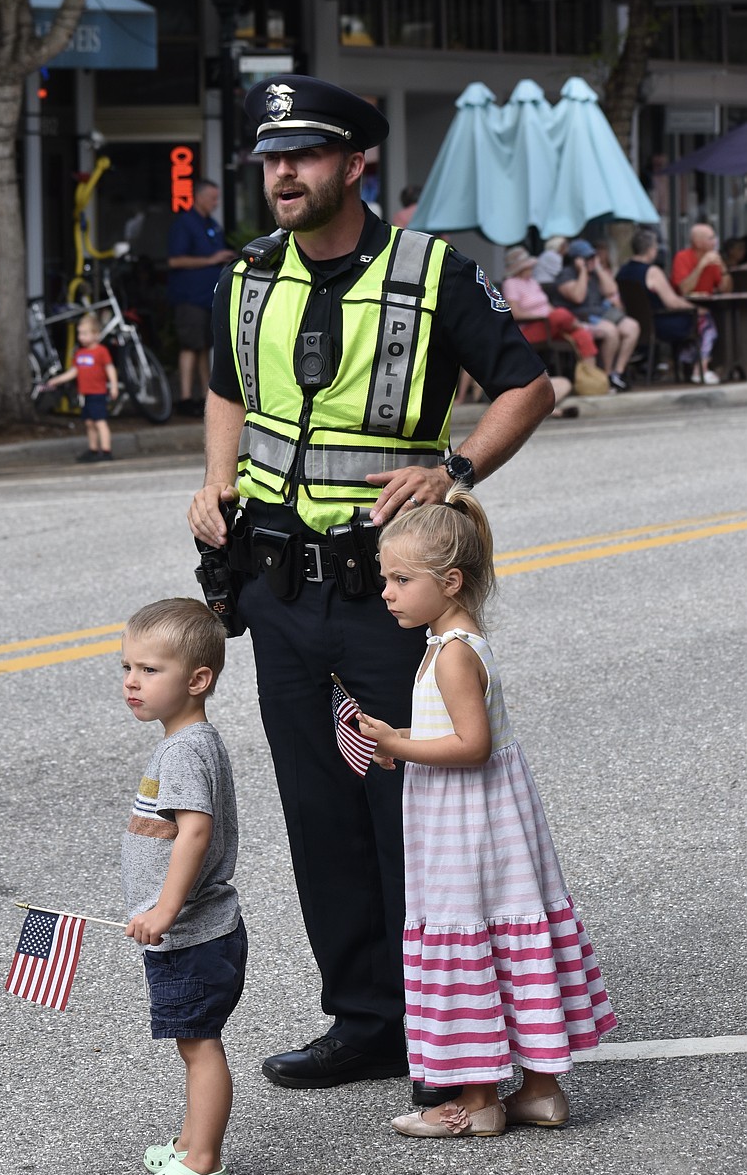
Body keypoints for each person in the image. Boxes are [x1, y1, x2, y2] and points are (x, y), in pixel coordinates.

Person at [187, 74, 555, 1106]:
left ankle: (453, 1034)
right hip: (277, 591)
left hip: (389, 597)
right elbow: (225, 387)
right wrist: (214, 477)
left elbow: (529, 387)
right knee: (320, 810)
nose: (282, 174)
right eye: (270, 158)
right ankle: (365, 1023)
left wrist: (458, 470)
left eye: (303, 155)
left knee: (415, 809)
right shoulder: (249, 276)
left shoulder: (437, 275)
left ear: (356, 165)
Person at [356, 488, 617, 1138]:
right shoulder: (456, 639)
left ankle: (478, 1101)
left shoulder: (451, 655)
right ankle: (541, 1090)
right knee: (504, 933)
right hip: (491, 814)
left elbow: (469, 747)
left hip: (463, 823)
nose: (386, 591)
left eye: (400, 579)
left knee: (466, 933)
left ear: (450, 580)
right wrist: (405, 749)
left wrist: (396, 744)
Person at [121, 597, 247, 1175]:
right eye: (126, 668)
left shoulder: (185, 750)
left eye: (149, 670)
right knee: (192, 1042)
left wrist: (166, 910)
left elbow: (195, 831)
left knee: (200, 1046)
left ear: (197, 681)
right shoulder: (184, 741)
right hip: (190, 931)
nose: (131, 683)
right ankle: (189, 1143)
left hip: (194, 933)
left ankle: (202, 1164)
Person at [167, 180, 236, 417]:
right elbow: (174, 261)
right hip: (189, 297)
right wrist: (210, 260)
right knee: (190, 346)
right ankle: (185, 398)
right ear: (199, 197)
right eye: (213, 198)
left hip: (209, 297)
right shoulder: (185, 224)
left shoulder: (212, 225)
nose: (216, 203)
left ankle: (207, 399)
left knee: (204, 346)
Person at [617, 226, 719, 384]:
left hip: (639, 323)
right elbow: (672, 301)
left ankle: (687, 363)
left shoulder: (622, 271)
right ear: (651, 249)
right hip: (660, 322)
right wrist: (695, 308)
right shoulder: (652, 271)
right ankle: (700, 369)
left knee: (695, 320)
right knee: (705, 319)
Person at [554, 238, 640, 392]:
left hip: (601, 313)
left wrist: (599, 268)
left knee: (632, 327)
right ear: (576, 259)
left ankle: (617, 373)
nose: (591, 260)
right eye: (587, 258)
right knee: (610, 331)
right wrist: (582, 272)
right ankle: (606, 376)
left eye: (592, 256)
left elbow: (611, 290)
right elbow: (578, 297)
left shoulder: (596, 272)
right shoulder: (566, 275)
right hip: (581, 316)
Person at [502, 246, 599, 362]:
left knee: (583, 335)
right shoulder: (510, 283)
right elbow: (515, 313)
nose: (532, 268)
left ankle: (592, 377)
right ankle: (579, 324)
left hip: (550, 326)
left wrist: (553, 316)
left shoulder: (532, 282)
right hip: (529, 328)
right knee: (560, 314)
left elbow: (546, 305)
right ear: (521, 268)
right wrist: (543, 317)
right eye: (529, 265)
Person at [44, 314, 118, 463]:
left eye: (85, 333)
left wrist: (114, 385)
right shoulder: (79, 354)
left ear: (96, 334)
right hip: (86, 394)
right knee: (89, 422)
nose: (81, 337)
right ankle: (93, 449)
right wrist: (57, 380)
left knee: (100, 422)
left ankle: (106, 450)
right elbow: (74, 371)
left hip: (98, 393)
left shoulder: (101, 351)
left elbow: (110, 368)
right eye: (80, 333)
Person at [671, 223, 733, 297]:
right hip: (686, 305)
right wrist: (701, 265)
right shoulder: (682, 257)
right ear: (698, 243)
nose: (715, 242)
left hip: (708, 304)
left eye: (715, 238)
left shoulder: (713, 259)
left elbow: (726, 291)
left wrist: (723, 268)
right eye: (711, 239)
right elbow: (684, 289)